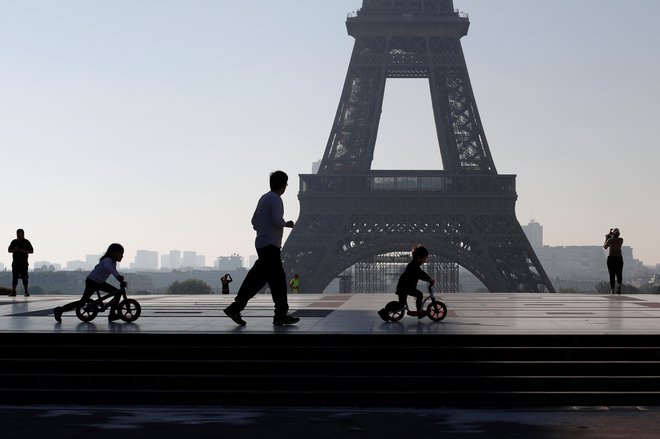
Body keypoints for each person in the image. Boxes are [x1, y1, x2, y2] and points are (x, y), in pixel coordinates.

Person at [223, 170, 300, 326]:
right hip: (271, 245)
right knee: (277, 281)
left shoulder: (264, 198)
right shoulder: (277, 200)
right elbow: (276, 219)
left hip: (261, 244)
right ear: (283, 185)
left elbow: (254, 221)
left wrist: (262, 229)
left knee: (256, 279)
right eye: (286, 184)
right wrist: (287, 224)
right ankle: (280, 314)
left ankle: (235, 307)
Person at [54, 243, 127, 322]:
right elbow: (109, 268)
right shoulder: (107, 260)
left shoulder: (112, 262)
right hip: (92, 281)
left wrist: (120, 280)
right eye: (121, 253)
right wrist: (119, 277)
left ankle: (112, 314)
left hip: (99, 282)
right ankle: (60, 309)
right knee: (83, 302)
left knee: (117, 292)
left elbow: (114, 271)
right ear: (114, 252)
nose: (122, 256)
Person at [378, 245, 435, 321]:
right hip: (405, 288)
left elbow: (420, 273)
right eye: (424, 259)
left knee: (401, 304)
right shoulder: (414, 266)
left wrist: (428, 279)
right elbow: (421, 274)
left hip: (404, 287)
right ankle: (419, 312)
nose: (425, 261)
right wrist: (429, 279)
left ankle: (385, 312)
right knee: (419, 295)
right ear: (418, 257)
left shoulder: (413, 264)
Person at [7, 229, 34, 297]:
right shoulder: (14, 242)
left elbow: (31, 251)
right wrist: (15, 250)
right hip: (15, 262)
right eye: (18, 235)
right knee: (14, 278)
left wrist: (23, 250)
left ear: (23, 234)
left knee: (25, 278)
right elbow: (9, 250)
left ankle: (26, 291)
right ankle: (13, 291)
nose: (19, 236)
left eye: (20, 235)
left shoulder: (26, 242)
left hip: (24, 263)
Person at [604, 228, 624, 294]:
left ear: (613, 234)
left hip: (611, 259)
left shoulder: (610, 240)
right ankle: (619, 286)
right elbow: (615, 239)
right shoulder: (621, 240)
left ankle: (612, 289)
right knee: (619, 273)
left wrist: (607, 237)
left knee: (611, 274)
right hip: (619, 258)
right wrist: (611, 235)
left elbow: (605, 246)